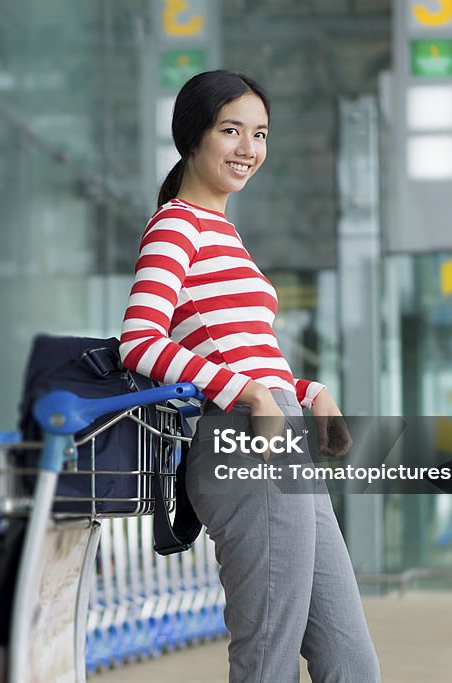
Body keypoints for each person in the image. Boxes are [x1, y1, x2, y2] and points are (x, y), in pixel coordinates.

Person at [119, 70, 380, 682]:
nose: (248, 149)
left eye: (260, 134)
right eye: (230, 130)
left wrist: (310, 392)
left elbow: (247, 346)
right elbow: (140, 342)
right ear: (192, 137)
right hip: (242, 437)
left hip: (279, 429)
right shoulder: (175, 226)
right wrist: (250, 392)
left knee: (351, 662)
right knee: (268, 659)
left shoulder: (225, 232)